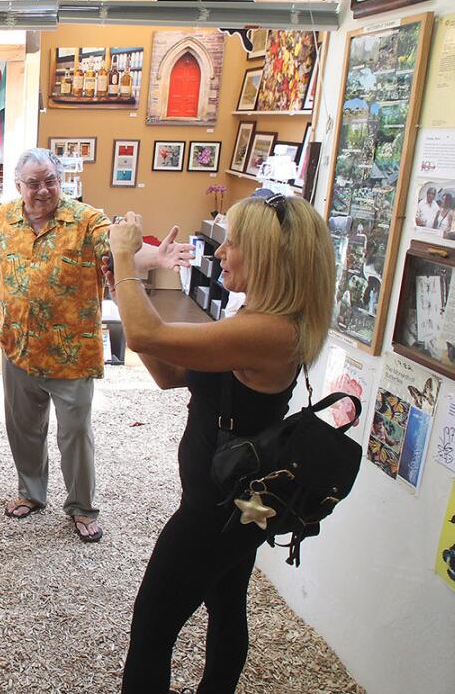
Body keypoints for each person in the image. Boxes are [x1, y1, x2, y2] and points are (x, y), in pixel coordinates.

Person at [108, 188, 336, 693]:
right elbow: (170, 373)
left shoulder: (270, 331)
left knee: (151, 631)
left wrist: (125, 255)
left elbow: (147, 336)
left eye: (232, 243)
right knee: (226, 602)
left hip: (214, 512)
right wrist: (126, 286)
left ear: (268, 257)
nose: (219, 253)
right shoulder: (257, 321)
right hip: (238, 502)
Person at [0, 148, 193, 542]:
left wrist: (156, 256)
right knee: (24, 430)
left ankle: (82, 507)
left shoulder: (86, 220)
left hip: (71, 353)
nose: (43, 190)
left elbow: (123, 251)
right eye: (33, 183)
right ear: (19, 186)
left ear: (60, 181)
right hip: (19, 347)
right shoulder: (2, 219)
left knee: (75, 435)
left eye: (50, 180)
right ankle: (31, 494)